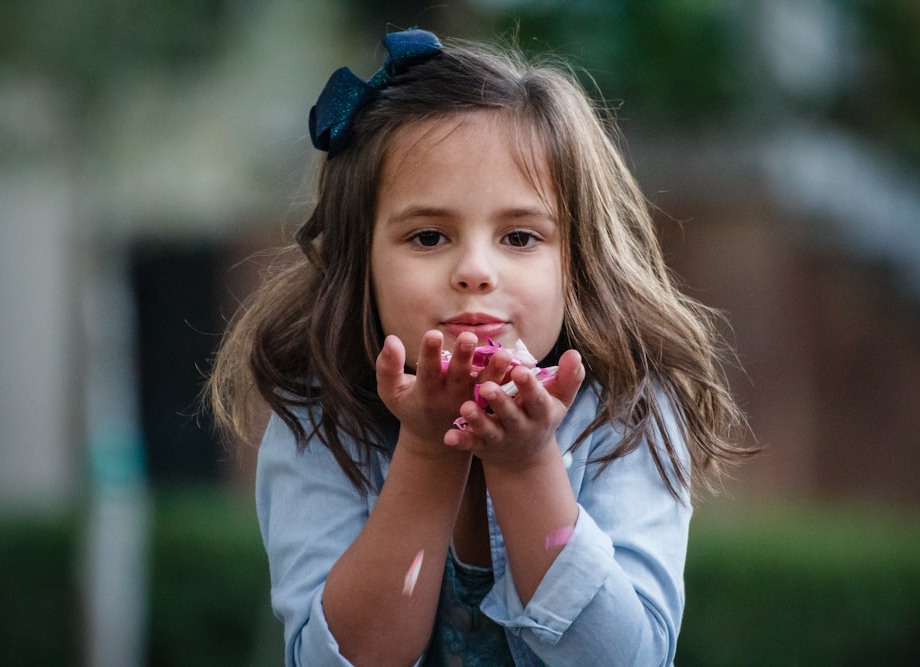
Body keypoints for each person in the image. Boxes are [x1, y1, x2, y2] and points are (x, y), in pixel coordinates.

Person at [208, 27, 751, 667]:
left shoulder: (628, 411)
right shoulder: (322, 420)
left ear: (576, 263)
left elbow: (626, 659)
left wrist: (526, 465)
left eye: (520, 237)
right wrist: (425, 451)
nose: (475, 271)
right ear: (362, 262)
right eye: (429, 237)